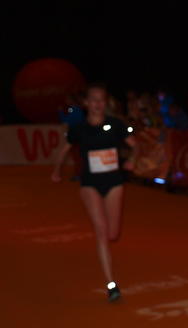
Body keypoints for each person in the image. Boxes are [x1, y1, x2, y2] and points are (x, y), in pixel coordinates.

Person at [51, 83, 138, 302]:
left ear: (105, 102)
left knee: (112, 234)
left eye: (101, 100)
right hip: (90, 184)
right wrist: (56, 170)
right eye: (94, 100)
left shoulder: (115, 124)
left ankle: (110, 276)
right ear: (86, 103)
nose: (98, 104)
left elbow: (135, 145)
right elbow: (64, 149)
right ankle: (111, 285)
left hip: (114, 183)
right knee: (101, 231)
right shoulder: (78, 128)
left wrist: (132, 160)